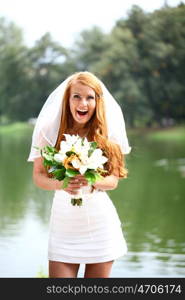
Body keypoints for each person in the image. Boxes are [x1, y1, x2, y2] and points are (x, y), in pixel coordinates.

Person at [28, 71, 131, 278]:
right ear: (68, 100)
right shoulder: (48, 131)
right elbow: (38, 176)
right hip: (63, 225)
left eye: (89, 97)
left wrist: (92, 181)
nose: (82, 103)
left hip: (100, 224)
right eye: (77, 96)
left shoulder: (107, 135)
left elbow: (113, 181)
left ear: (97, 101)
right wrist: (61, 185)